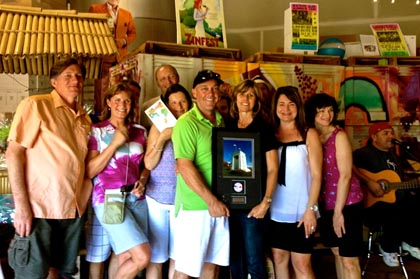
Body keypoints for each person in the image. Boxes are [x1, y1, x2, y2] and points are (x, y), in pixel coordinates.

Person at [6, 58, 92, 279]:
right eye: (68, 76)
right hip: (39, 207)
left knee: (58, 271)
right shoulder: (36, 105)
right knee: (32, 273)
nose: (75, 80)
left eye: (79, 76)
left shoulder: (84, 118)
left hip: (72, 209)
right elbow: (14, 153)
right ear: (54, 82)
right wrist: (22, 206)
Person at [85, 82, 151, 278]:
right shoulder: (97, 131)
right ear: (108, 102)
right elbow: (90, 171)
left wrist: (143, 179)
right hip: (109, 198)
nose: (122, 105)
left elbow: (146, 164)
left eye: (127, 101)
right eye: (117, 100)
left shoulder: (140, 131)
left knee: (124, 255)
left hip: (136, 198)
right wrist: (114, 144)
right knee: (142, 256)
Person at [171, 70, 230, 279]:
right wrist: (210, 200)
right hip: (195, 208)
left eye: (215, 88)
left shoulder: (221, 121)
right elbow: (185, 166)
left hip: (219, 205)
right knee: (186, 270)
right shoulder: (186, 123)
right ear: (194, 93)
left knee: (211, 268)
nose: (210, 93)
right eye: (204, 88)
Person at [305, 93, 364, 279]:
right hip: (325, 204)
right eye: (321, 111)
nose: (326, 115)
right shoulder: (311, 135)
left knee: (349, 259)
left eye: (330, 110)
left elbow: (346, 175)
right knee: (337, 253)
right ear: (312, 113)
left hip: (346, 204)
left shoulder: (339, 136)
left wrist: (339, 212)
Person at [225, 79, 278, 279]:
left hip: (254, 205)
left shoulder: (264, 129)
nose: (245, 99)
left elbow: (273, 169)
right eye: (242, 94)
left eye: (251, 95)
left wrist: (266, 202)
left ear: (256, 100)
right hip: (229, 204)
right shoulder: (227, 125)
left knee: (255, 260)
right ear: (235, 98)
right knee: (235, 258)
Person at [269, 86, 322, 279]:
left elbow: (317, 175)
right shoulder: (270, 135)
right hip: (275, 210)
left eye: (291, 104)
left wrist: (311, 210)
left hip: (302, 211)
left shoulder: (309, 134)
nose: (286, 109)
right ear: (275, 107)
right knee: (279, 258)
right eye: (281, 104)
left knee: (302, 264)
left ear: (298, 107)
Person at [353, 122, 420, 267]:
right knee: (396, 209)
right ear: (374, 137)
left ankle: (410, 241)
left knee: (415, 202)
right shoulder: (363, 153)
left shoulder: (394, 156)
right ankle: (388, 246)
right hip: (371, 206)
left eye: (391, 133)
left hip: (396, 202)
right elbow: (348, 167)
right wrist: (369, 182)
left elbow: (400, 181)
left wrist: (413, 183)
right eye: (386, 133)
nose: (391, 136)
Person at [144, 83, 193, 279]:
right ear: (166, 106)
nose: (178, 107)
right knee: (156, 258)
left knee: (178, 257)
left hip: (182, 201)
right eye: (173, 103)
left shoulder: (192, 126)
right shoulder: (159, 127)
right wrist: (163, 138)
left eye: (182, 102)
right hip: (156, 199)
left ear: (189, 104)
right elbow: (148, 163)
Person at [88, 0, 137, 113]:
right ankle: (101, 115)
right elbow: (89, 29)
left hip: (121, 59)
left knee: (120, 89)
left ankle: (118, 115)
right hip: (103, 56)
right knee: (101, 89)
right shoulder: (95, 9)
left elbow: (133, 33)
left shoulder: (127, 14)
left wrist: (124, 41)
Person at [140, 64, 180, 130]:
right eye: (163, 79)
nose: (168, 82)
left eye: (171, 76)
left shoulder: (193, 104)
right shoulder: (148, 107)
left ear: (178, 78)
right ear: (158, 83)